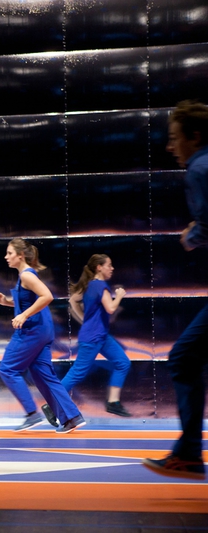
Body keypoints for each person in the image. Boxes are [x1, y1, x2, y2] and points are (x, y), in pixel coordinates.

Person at [143, 100, 208, 480]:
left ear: (194, 136)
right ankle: (187, 454)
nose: (171, 147)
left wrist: (193, 236)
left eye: (174, 138)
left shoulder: (199, 168)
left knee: (184, 358)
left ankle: (187, 455)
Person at [0, 238, 86, 433]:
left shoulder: (27, 276)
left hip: (32, 331)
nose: (6, 257)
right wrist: (7, 302)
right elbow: (28, 302)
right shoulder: (25, 277)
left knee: (8, 369)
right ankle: (71, 417)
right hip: (43, 331)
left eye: (9, 253)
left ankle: (31, 414)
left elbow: (47, 296)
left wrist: (24, 315)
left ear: (20, 255)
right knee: (43, 376)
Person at [56, 254, 131, 418]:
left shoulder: (89, 285)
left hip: (101, 336)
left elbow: (73, 300)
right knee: (77, 372)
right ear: (99, 267)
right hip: (93, 338)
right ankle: (51, 403)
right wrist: (119, 295)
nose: (112, 269)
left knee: (123, 362)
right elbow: (110, 308)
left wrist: (85, 319)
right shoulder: (99, 285)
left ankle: (113, 402)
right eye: (109, 265)